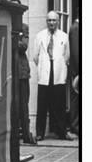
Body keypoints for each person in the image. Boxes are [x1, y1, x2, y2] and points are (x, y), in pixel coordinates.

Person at [33, 10, 73, 141]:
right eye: (49, 20)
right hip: (45, 73)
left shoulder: (64, 36)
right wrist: (44, 65)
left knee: (59, 105)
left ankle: (61, 132)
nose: (51, 23)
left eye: (54, 20)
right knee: (42, 105)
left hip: (58, 73)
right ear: (46, 21)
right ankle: (40, 133)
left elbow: (67, 56)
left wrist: (60, 65)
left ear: (58, 21)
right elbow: (35, 56)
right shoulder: (40, 36)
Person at [17, 22, 36, 144]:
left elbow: (23, 46)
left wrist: (10, 39)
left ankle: (25, 133)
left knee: (23, 105)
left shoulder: (23, 27)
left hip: (21, 73)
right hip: (8, 71)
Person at [69, 13, 79, 136]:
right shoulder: (76, 28)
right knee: (76, 99)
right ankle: (75, 126)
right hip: (77, 72)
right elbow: (76, 53)